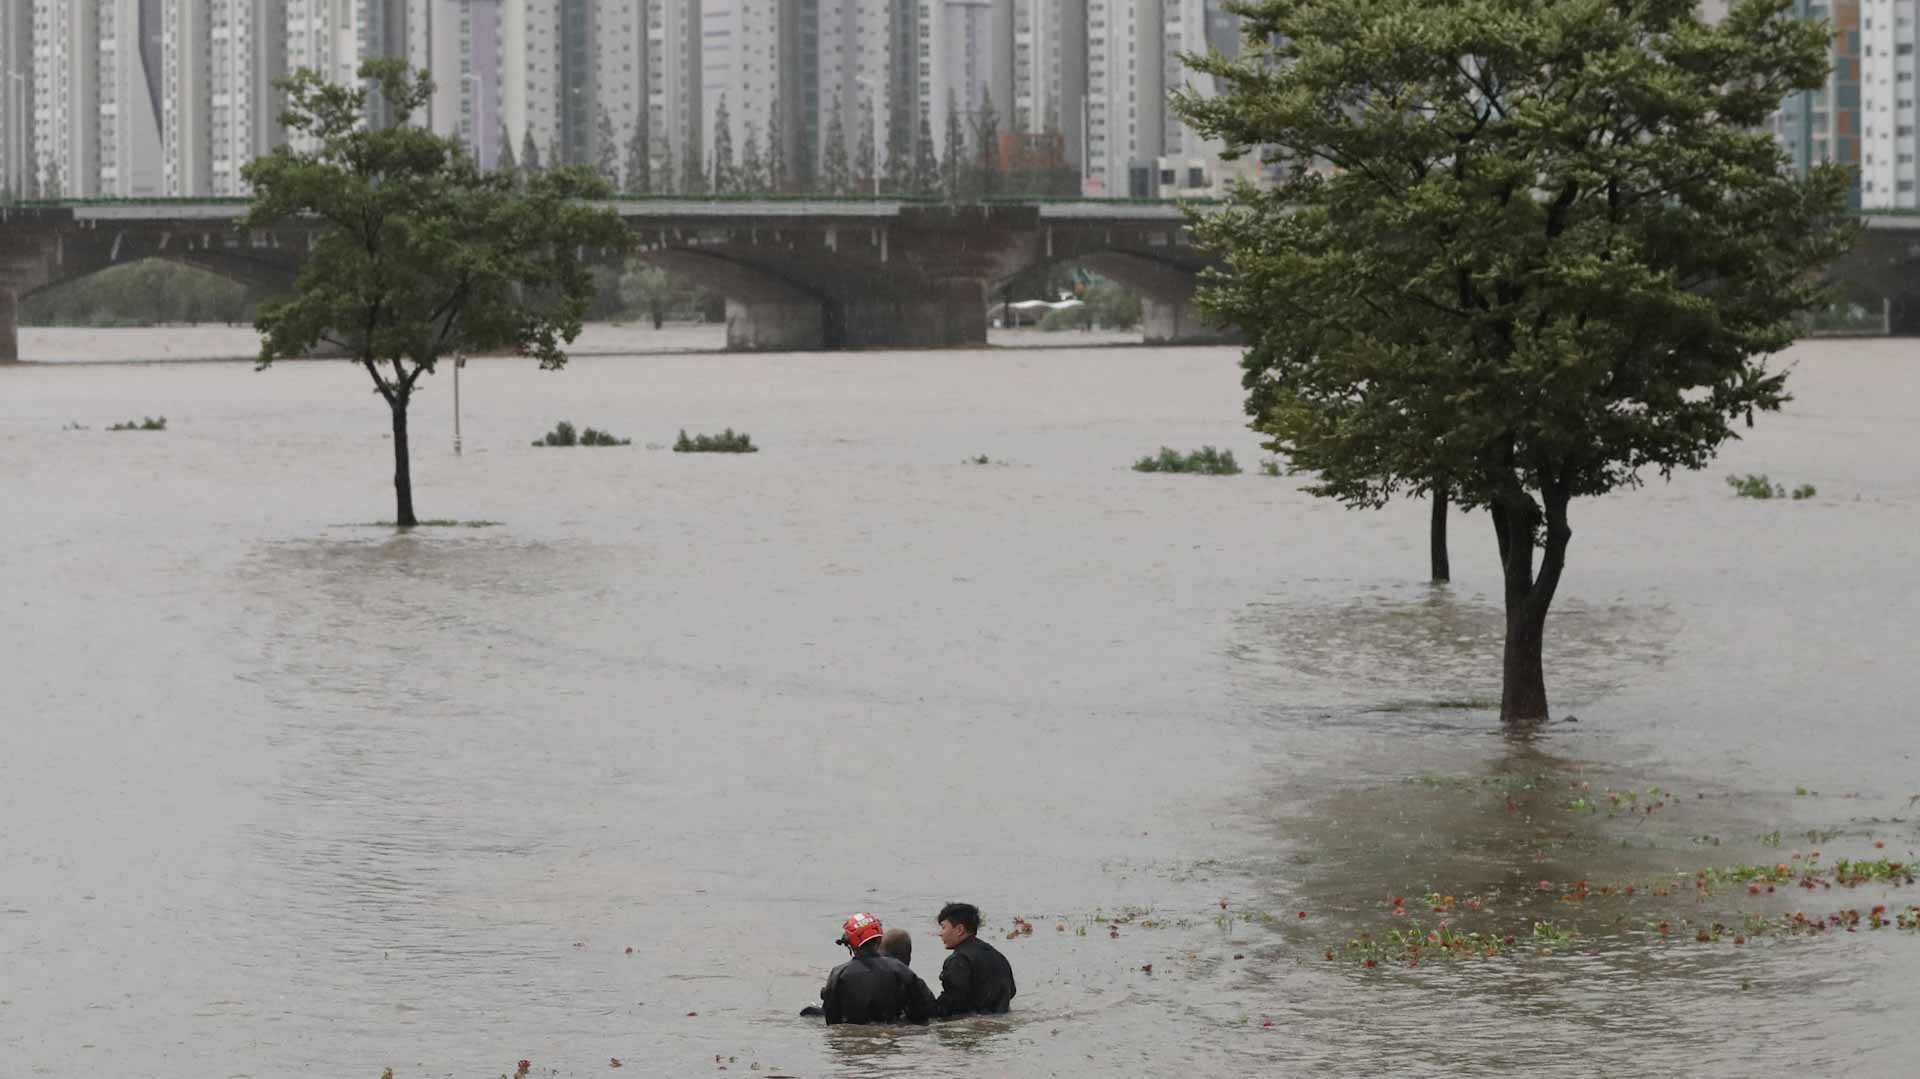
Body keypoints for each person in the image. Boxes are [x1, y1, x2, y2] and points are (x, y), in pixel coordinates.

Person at [806, 912, 935, 1025]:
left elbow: (832, 1019)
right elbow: (925, 1008)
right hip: (891, 1040)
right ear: (879, 939)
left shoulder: (838, 973)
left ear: (850, 943)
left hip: (853, 1042)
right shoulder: (900, 969)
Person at [932, 902, 1016, 1017]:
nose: (940, 934)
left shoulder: (958, 960)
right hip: (1000, 1023)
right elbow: (1012, 991)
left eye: (943, 927)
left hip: (970, 1026)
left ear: (959, 929)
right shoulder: (998, 956)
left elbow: (951, 1004)